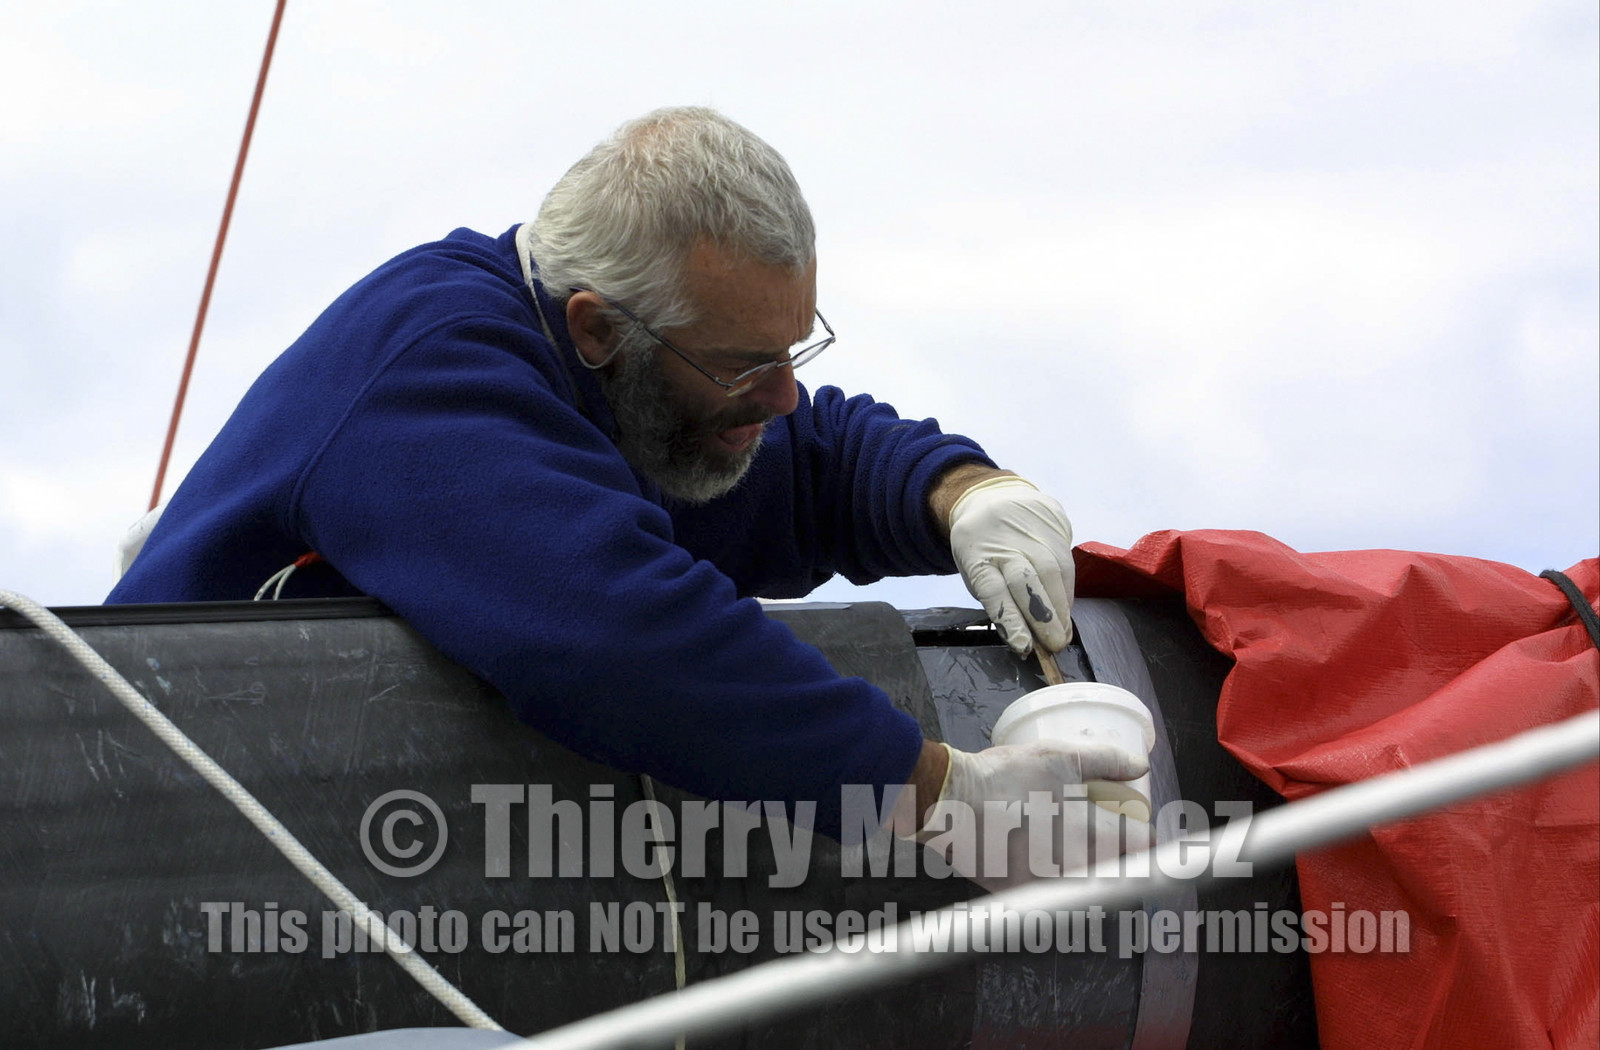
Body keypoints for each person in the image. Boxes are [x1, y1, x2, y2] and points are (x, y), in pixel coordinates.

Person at [109, 107, 1147, 883]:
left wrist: (961, 494)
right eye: (747, 365)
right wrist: (942, 799)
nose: (782, 394)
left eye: (794, 349)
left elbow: (813, 460)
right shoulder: (429, 373)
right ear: (600, 329)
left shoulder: (617, 378)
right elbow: (613, 635)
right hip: (136, 848)